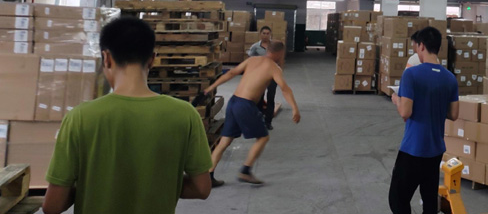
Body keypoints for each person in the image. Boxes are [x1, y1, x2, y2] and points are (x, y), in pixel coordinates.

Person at [43, 17, 212, 214]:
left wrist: (89, 187)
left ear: (106, 58)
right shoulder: (185, 114)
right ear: (152, 59)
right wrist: (159, 184)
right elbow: (202, 188)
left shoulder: (80, 117)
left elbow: (52, 206)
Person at [205, 41, 300, 187]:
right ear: (280, 53)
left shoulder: (252, 60)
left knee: (225, 141)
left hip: (234, 102)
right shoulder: (274, 68)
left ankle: (209, 176)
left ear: (267, 50)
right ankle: (246, 171)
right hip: (245, 105)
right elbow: (285, 89)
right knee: (263, 138)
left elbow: (231, 73)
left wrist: (211, 87)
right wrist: (295, 108)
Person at [389, 27, 459, 214]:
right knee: (429, 199)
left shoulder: (411, 74)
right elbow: (453, 114)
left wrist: (396, 99)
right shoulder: (450, 78)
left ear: (421, 46)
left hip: (413, 148)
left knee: (397, 199)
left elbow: (405, 112)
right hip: (435, 149)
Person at [246, 26, 281, 130]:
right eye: (264, 33)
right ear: (260, 34)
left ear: (270, 34)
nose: (265, 35)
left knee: (271, 98)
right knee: (259, 98)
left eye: (267, 33)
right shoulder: (255, 47)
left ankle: (268, 122)